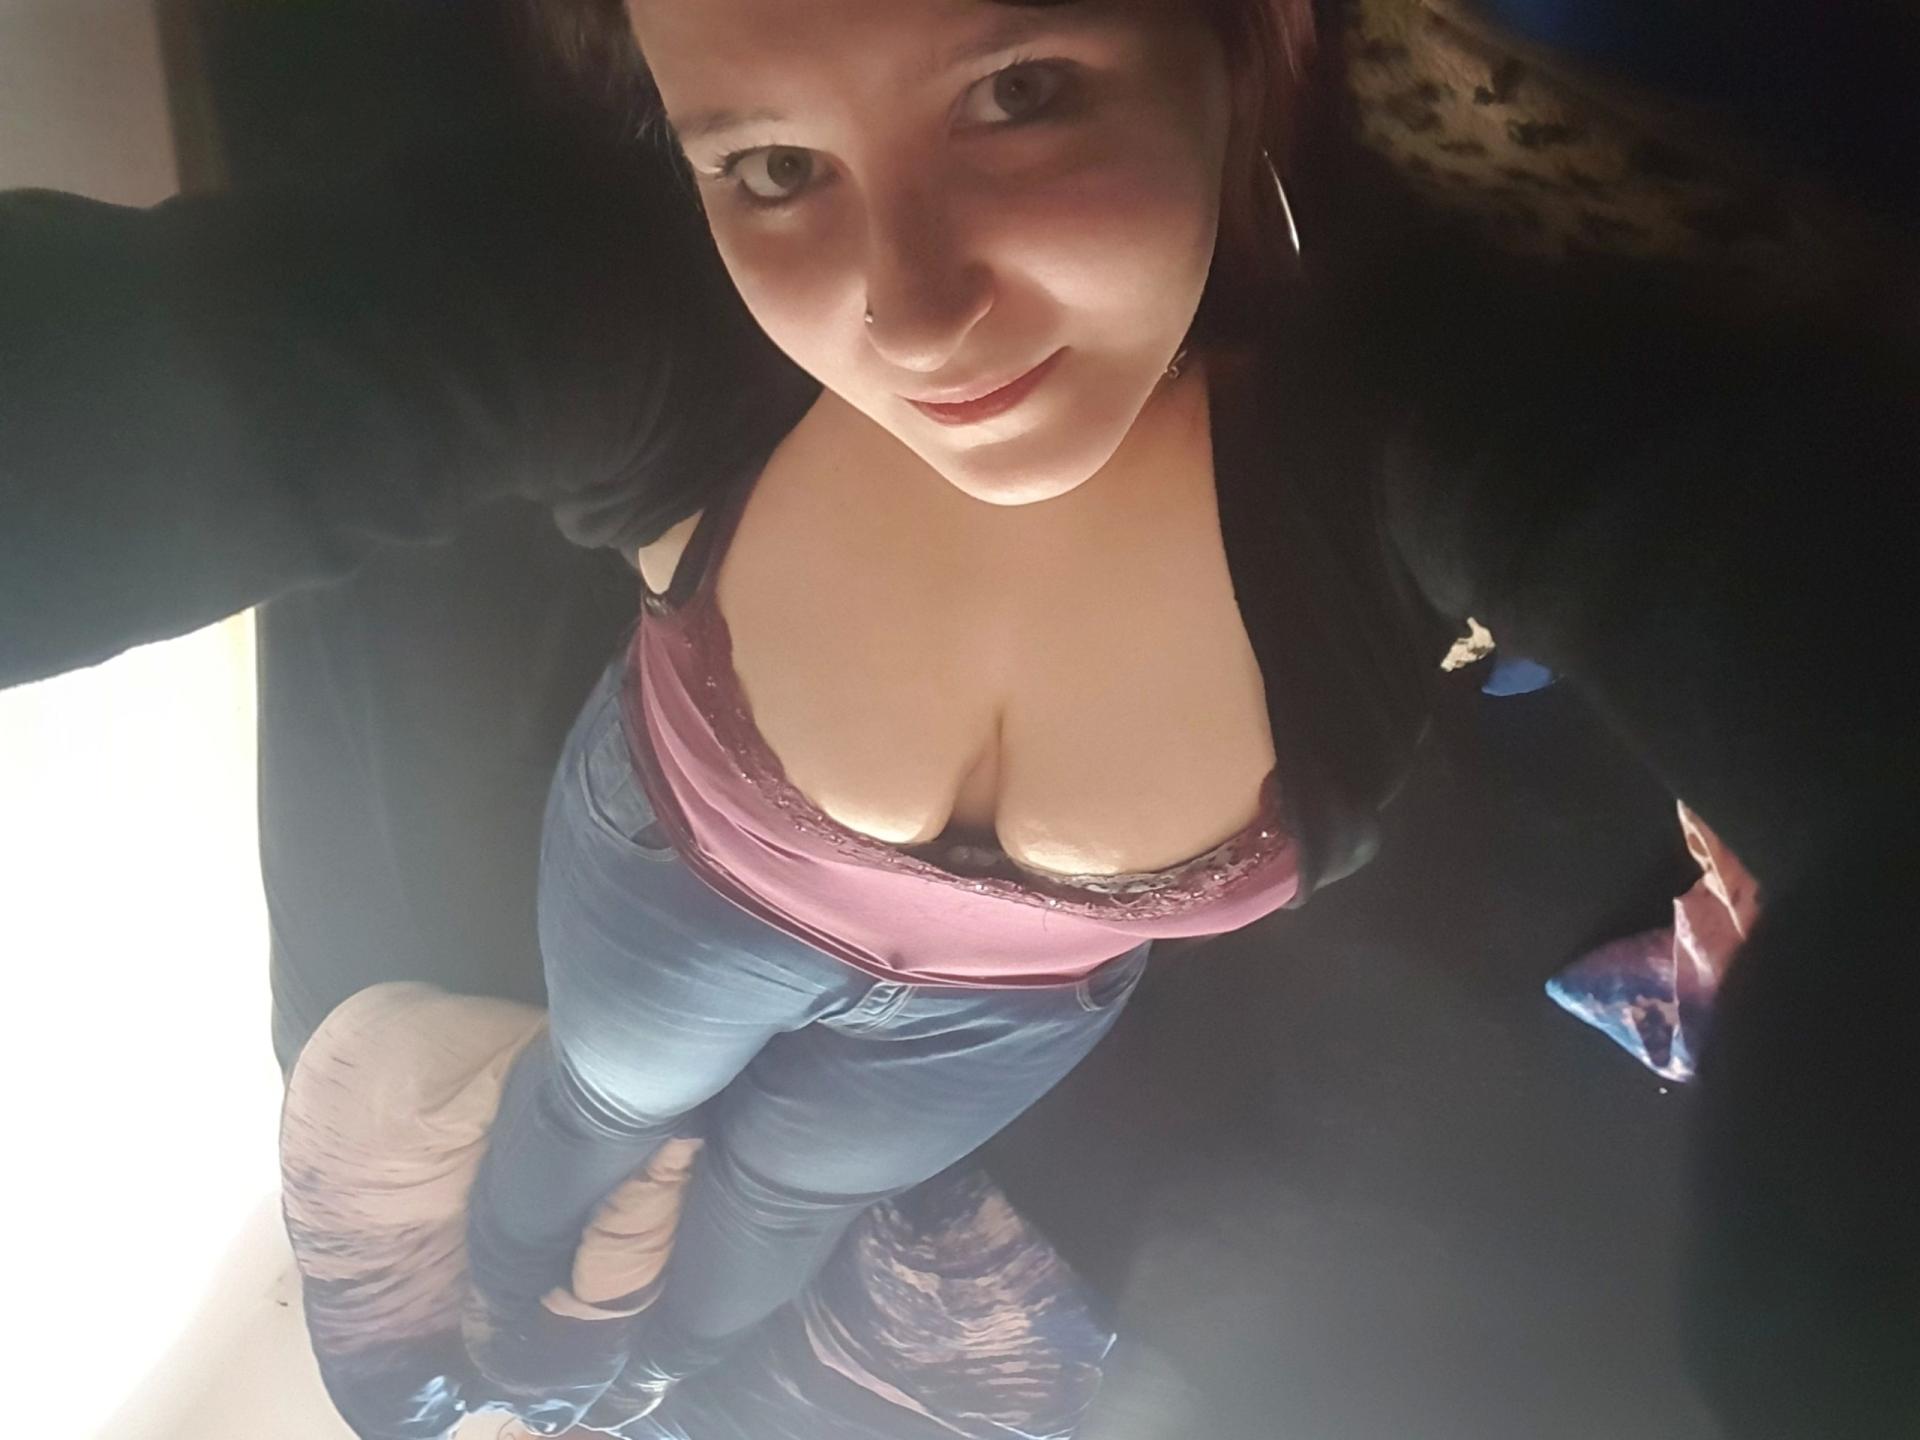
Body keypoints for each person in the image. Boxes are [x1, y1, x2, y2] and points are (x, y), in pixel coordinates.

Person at [2, 1, 1913, 1435]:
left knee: (780, 1194)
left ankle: (633, 1382)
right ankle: (517, 1329)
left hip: (991, 1021)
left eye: (1019, 91)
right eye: (771, 167)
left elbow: (1785, 605)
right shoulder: (653, 315)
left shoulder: (1441, 403)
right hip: (677, 903)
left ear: (1249, 39)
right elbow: (204, 387)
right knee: (595, 1107)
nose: (909, 316)